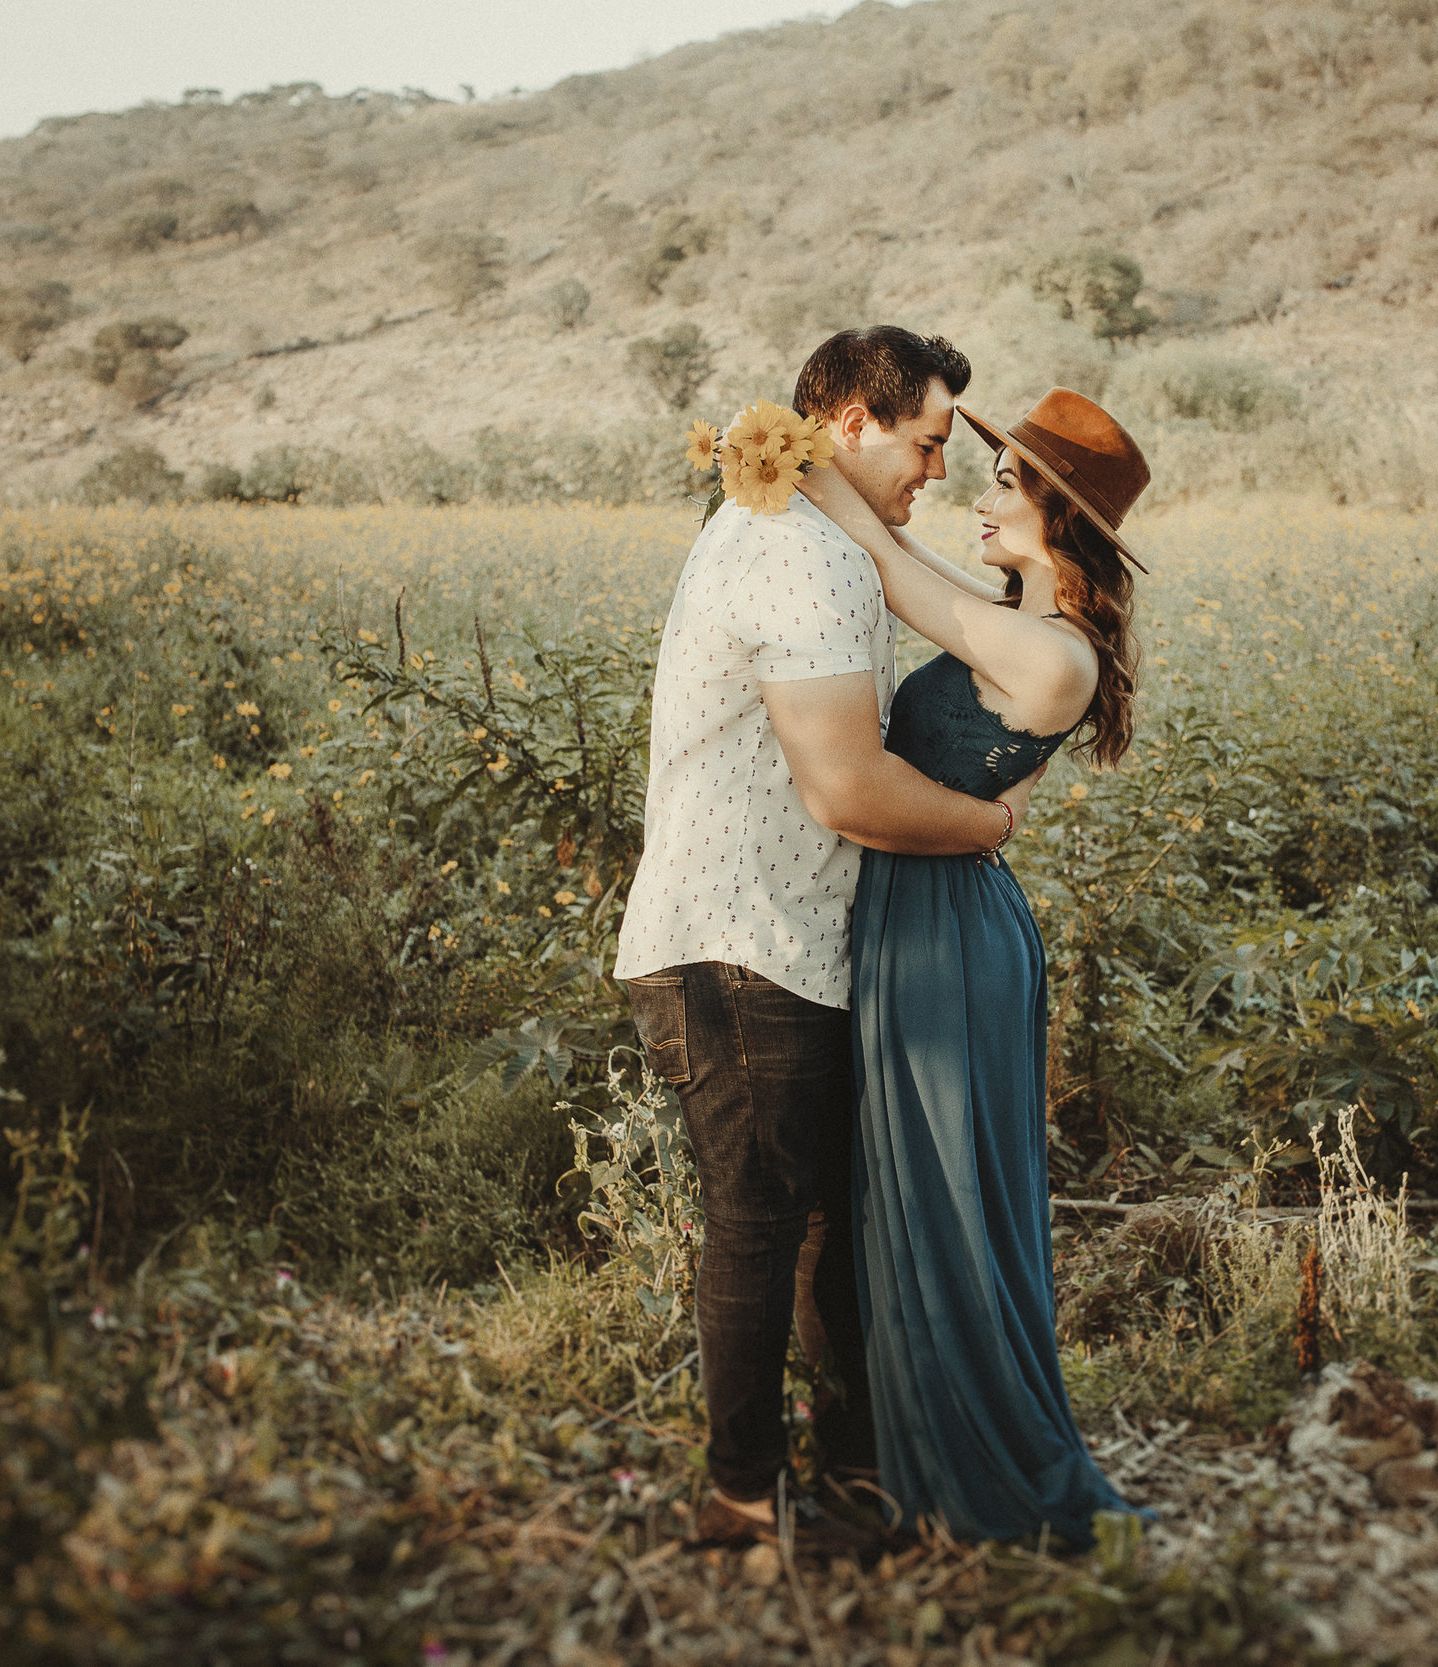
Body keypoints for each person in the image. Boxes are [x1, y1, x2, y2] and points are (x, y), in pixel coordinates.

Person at [612, 327, 1044, 1555]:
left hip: (779, 934)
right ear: (851, 420)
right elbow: (847, 789)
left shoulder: (807, 535)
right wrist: (986, 824)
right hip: (738, 940)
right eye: (926, 442)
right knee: (760, 1216)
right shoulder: (799, 555)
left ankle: (855, 1468)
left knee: (817, 1217)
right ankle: (745, 1499)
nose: (937, 472)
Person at [798, 387, 1153, 1547]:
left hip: (948, 933)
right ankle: (908, 1444)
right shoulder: (1013, 622)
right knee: (903, 1189)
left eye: (1005, 485)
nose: (980, 501)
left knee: (946, 1192)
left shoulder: (1056, 657)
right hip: (915, 911)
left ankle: (980, 1465)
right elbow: (903, 561)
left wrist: (803, 472)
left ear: (1062, 520)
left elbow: (897, 576)